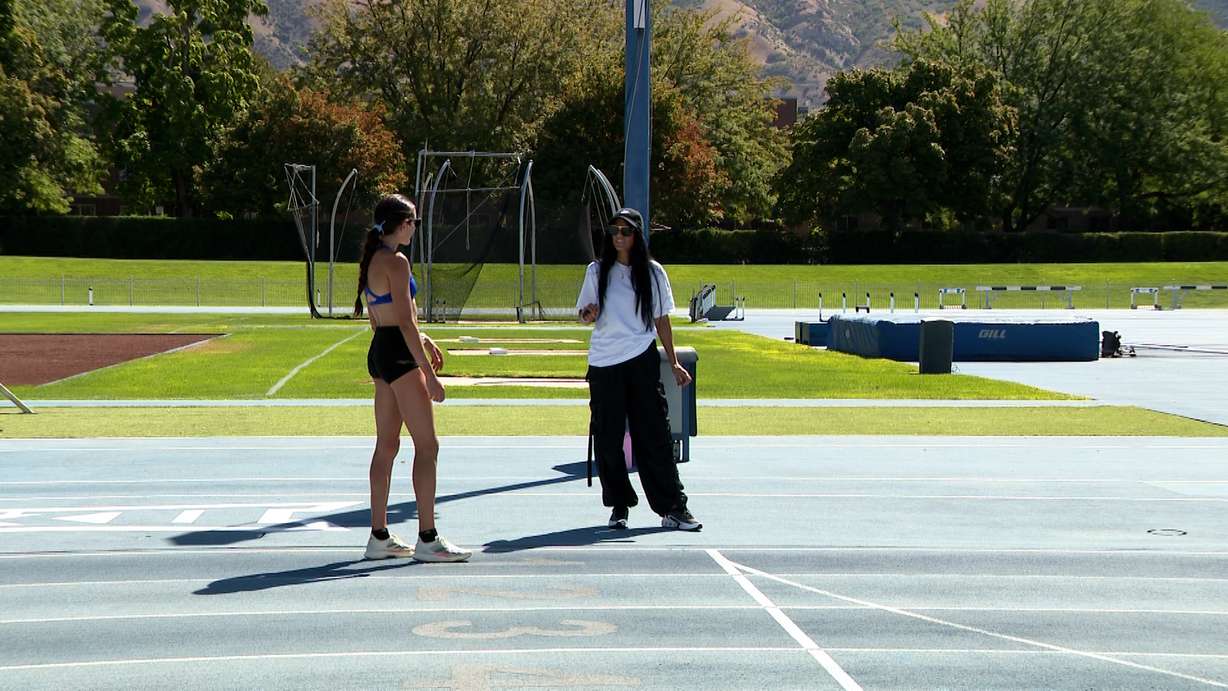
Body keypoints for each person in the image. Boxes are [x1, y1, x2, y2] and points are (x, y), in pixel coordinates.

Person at [356, 193, 471, 562]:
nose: (415, 229)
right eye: (414, 223)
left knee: (386, 446)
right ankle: (428, 538)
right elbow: (405, 322)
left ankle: (379, 536)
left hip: (381, 351)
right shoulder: (397, 261)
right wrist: (429, 375)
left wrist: (421, 338)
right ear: (402, 224)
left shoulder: (374, 258)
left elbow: (382, 319)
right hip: (398, 354)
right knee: (427, 445)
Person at [576, 207, 701, 531]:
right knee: (608, 438)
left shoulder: (653, 273)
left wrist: (674, 362)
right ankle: (619, 506)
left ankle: (673, 507)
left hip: (641, 359)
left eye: (626, 231)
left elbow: (662, 320)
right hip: (604, 363)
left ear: (637, 235)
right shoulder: (596, 270)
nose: (618, 237)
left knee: (654, 435)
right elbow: (583, 314)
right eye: (614, 231)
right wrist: (589, 314)